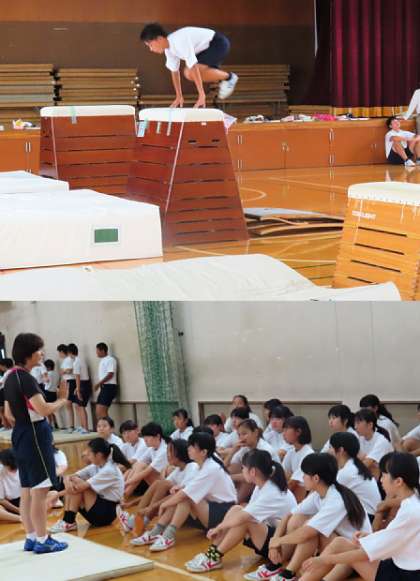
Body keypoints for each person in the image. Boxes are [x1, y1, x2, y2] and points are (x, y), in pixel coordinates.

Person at [300, 452, 420, 581]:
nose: (381, 480)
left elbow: (365, 554)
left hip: (405, 575)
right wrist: (369, 537)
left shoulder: (410, 511)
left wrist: (323, 560)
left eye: (384, 475)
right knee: (341, 544)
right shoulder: (413, 501)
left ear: (398, 481)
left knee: (343, 549)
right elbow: (399, 536)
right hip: (400, 566)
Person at [3, 332, 68, 553]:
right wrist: (62, 399)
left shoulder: (9, 376)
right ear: (30, 353)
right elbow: (44, 409)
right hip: (35, 436)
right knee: (40, 491)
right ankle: (42, 540)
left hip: (21, 434)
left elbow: (9, 413)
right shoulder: (26, 378)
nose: (42, 353)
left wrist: (25, 420)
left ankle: (31, 537)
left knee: (26, 490)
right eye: (39, 350)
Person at [185, 449, 297, 574]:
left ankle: (214, 557)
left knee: (245, 521)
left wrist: (219, 528)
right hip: (273, 539)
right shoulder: (262, 486)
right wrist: (222, 526)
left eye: (243, 468)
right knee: (236, 509)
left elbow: (243, 518)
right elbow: (242, 513)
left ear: (253, 471)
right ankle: (212, 553)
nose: (242, 471)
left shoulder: (271, 492)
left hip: (281, 548)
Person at [263, 453, 371, 581]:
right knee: (298, 519)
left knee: (311, 530)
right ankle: (280, 567)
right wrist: (274, 542)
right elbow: (288, 515)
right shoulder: (320, 493)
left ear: (315, 478)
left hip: (353, 556)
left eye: (304, 474)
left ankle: (288, 573)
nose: (302, 478)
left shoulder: (336, 499)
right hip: (337, 546)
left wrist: (279, 541)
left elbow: (307, 533)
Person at [133, 432, 237, 552]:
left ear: (203, 452)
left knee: (184, 498)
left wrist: (163, 505)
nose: (189, 448)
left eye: (192, 446)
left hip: (224, 514)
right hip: (211, 510)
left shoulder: (211, 468)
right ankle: (156, 532)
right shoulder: (201, 466)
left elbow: (186, 494)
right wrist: (181, 487)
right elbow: (187, 489)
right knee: (180, 497)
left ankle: (167, 536)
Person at [140, 23, 238, 109]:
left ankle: (230, 77)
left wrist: (201, 95)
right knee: (189, 73)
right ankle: (224, 77)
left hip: (217, 43)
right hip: (205, 50)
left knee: (189, 72)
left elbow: (193, 67)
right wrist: (179, 96)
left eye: (150, 45)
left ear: (159, 39)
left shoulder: (178, 41)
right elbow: (174, 72)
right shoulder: (169, 50)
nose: (151, 49)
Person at [118, 438, 198, 536]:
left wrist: (151, 507)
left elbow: (181, 495)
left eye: (170, 451)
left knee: (164, 484)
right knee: (158, 483)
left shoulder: (192, 467)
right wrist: (131, 504)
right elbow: (155, 492)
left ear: (180, 453)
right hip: (175, 508)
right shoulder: (178, 470)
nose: (167, 455)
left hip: (189, 511)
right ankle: (137, 519)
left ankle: (142, 520)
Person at [50, 438, 129, 533]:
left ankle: (69, 521)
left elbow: (80, 487)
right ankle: (67, 520)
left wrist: (56, 495)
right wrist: (67, 482)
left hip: (106, 514)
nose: (87, 456)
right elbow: (70, 476)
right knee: (74, 482)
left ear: (98, 455)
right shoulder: (96, 465)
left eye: (89, 453)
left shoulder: (109, 470)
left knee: (78, 485)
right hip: (99, 508)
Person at [330, 432, 381, 521]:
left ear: (341, 450)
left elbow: (329, 497)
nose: (328, 450)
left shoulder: (347, 472)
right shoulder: (354, 466)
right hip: (368, 515)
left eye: (331, 447)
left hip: (367, 517)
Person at [124, 422, 168, 498]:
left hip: (165, 483)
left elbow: (146, 472)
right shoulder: (152, 448)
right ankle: (122, 492)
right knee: (137, 465)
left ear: (157, 436)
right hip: (156, 480)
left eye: (148, 436)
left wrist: (126, 483)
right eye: (144, 436)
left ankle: (124, 494)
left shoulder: (164, 450)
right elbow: (136, 464)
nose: (145, 439)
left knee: (142, 466)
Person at [282, 416, 314, 502]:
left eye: (286, 429)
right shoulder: (291, 452)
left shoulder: (308, 454)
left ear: (298, 432)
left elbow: (293, 484)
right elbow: (281, 474)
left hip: (302, 496)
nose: (283, 434)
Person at [354, 409, 394, 479]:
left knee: (372, 467)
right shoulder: (360, 438)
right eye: (355, 423)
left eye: (358, 423)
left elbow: (366, 464)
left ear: (370, 425)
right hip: (371, 474)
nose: (355, 427)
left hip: (388, 476)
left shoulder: (381, 441)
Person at [68, 343, 91, 434]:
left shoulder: (76, 362)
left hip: (83, 384)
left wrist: (78, 389)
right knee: (77, 405)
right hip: (83, 383)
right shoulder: (80, 360)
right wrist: (77, 388)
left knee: (81, 406)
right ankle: (82, 426)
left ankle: (86, 428)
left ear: (70, 353)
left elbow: (77, 376)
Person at [93, 342, 118, 421]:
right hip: (104, 387)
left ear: (103, 351)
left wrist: (98, 384)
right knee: (98, 412)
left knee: (102, 412)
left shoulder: (110, 359)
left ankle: (109, 428)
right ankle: (103, 427)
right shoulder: (102, 360)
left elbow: (110, 374)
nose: (96, 353)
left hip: (109, 387)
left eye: (97, 351)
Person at [57, 344, 75, 432]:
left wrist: (63, 371)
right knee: (68, 404)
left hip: (70, 381)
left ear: (62, 352)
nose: (59, 355)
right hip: (67, 381)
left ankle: (71, 426)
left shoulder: (69, 359)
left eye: (59, 352)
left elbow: (70, 370)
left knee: (68, 403)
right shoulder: (66, 360)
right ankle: (70, 426)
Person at [0, 448, 21, 522]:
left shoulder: (22, 468)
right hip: (8, 505)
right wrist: (18, 510)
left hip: (24, 501)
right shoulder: (1, 474)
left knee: (51, 494)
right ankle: (21, 519)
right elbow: (1, 500)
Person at [43, 359, 59, 428]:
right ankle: (55, 423)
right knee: (51, 410)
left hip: (47, 392)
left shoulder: (48, 374)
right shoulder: (56, 373)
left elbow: (45, 381)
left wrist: (43, 376)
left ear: (48, 367)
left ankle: (50, 424)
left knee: (47, 410)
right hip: (54, 393)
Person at [0, 358, 14, 430]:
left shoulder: (8, 372)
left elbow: (1, 383)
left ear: (4, 366)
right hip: (7, 392)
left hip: (5, 392)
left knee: (5, 411)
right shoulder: (12, 371)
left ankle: (9, 426)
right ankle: (9, 426)